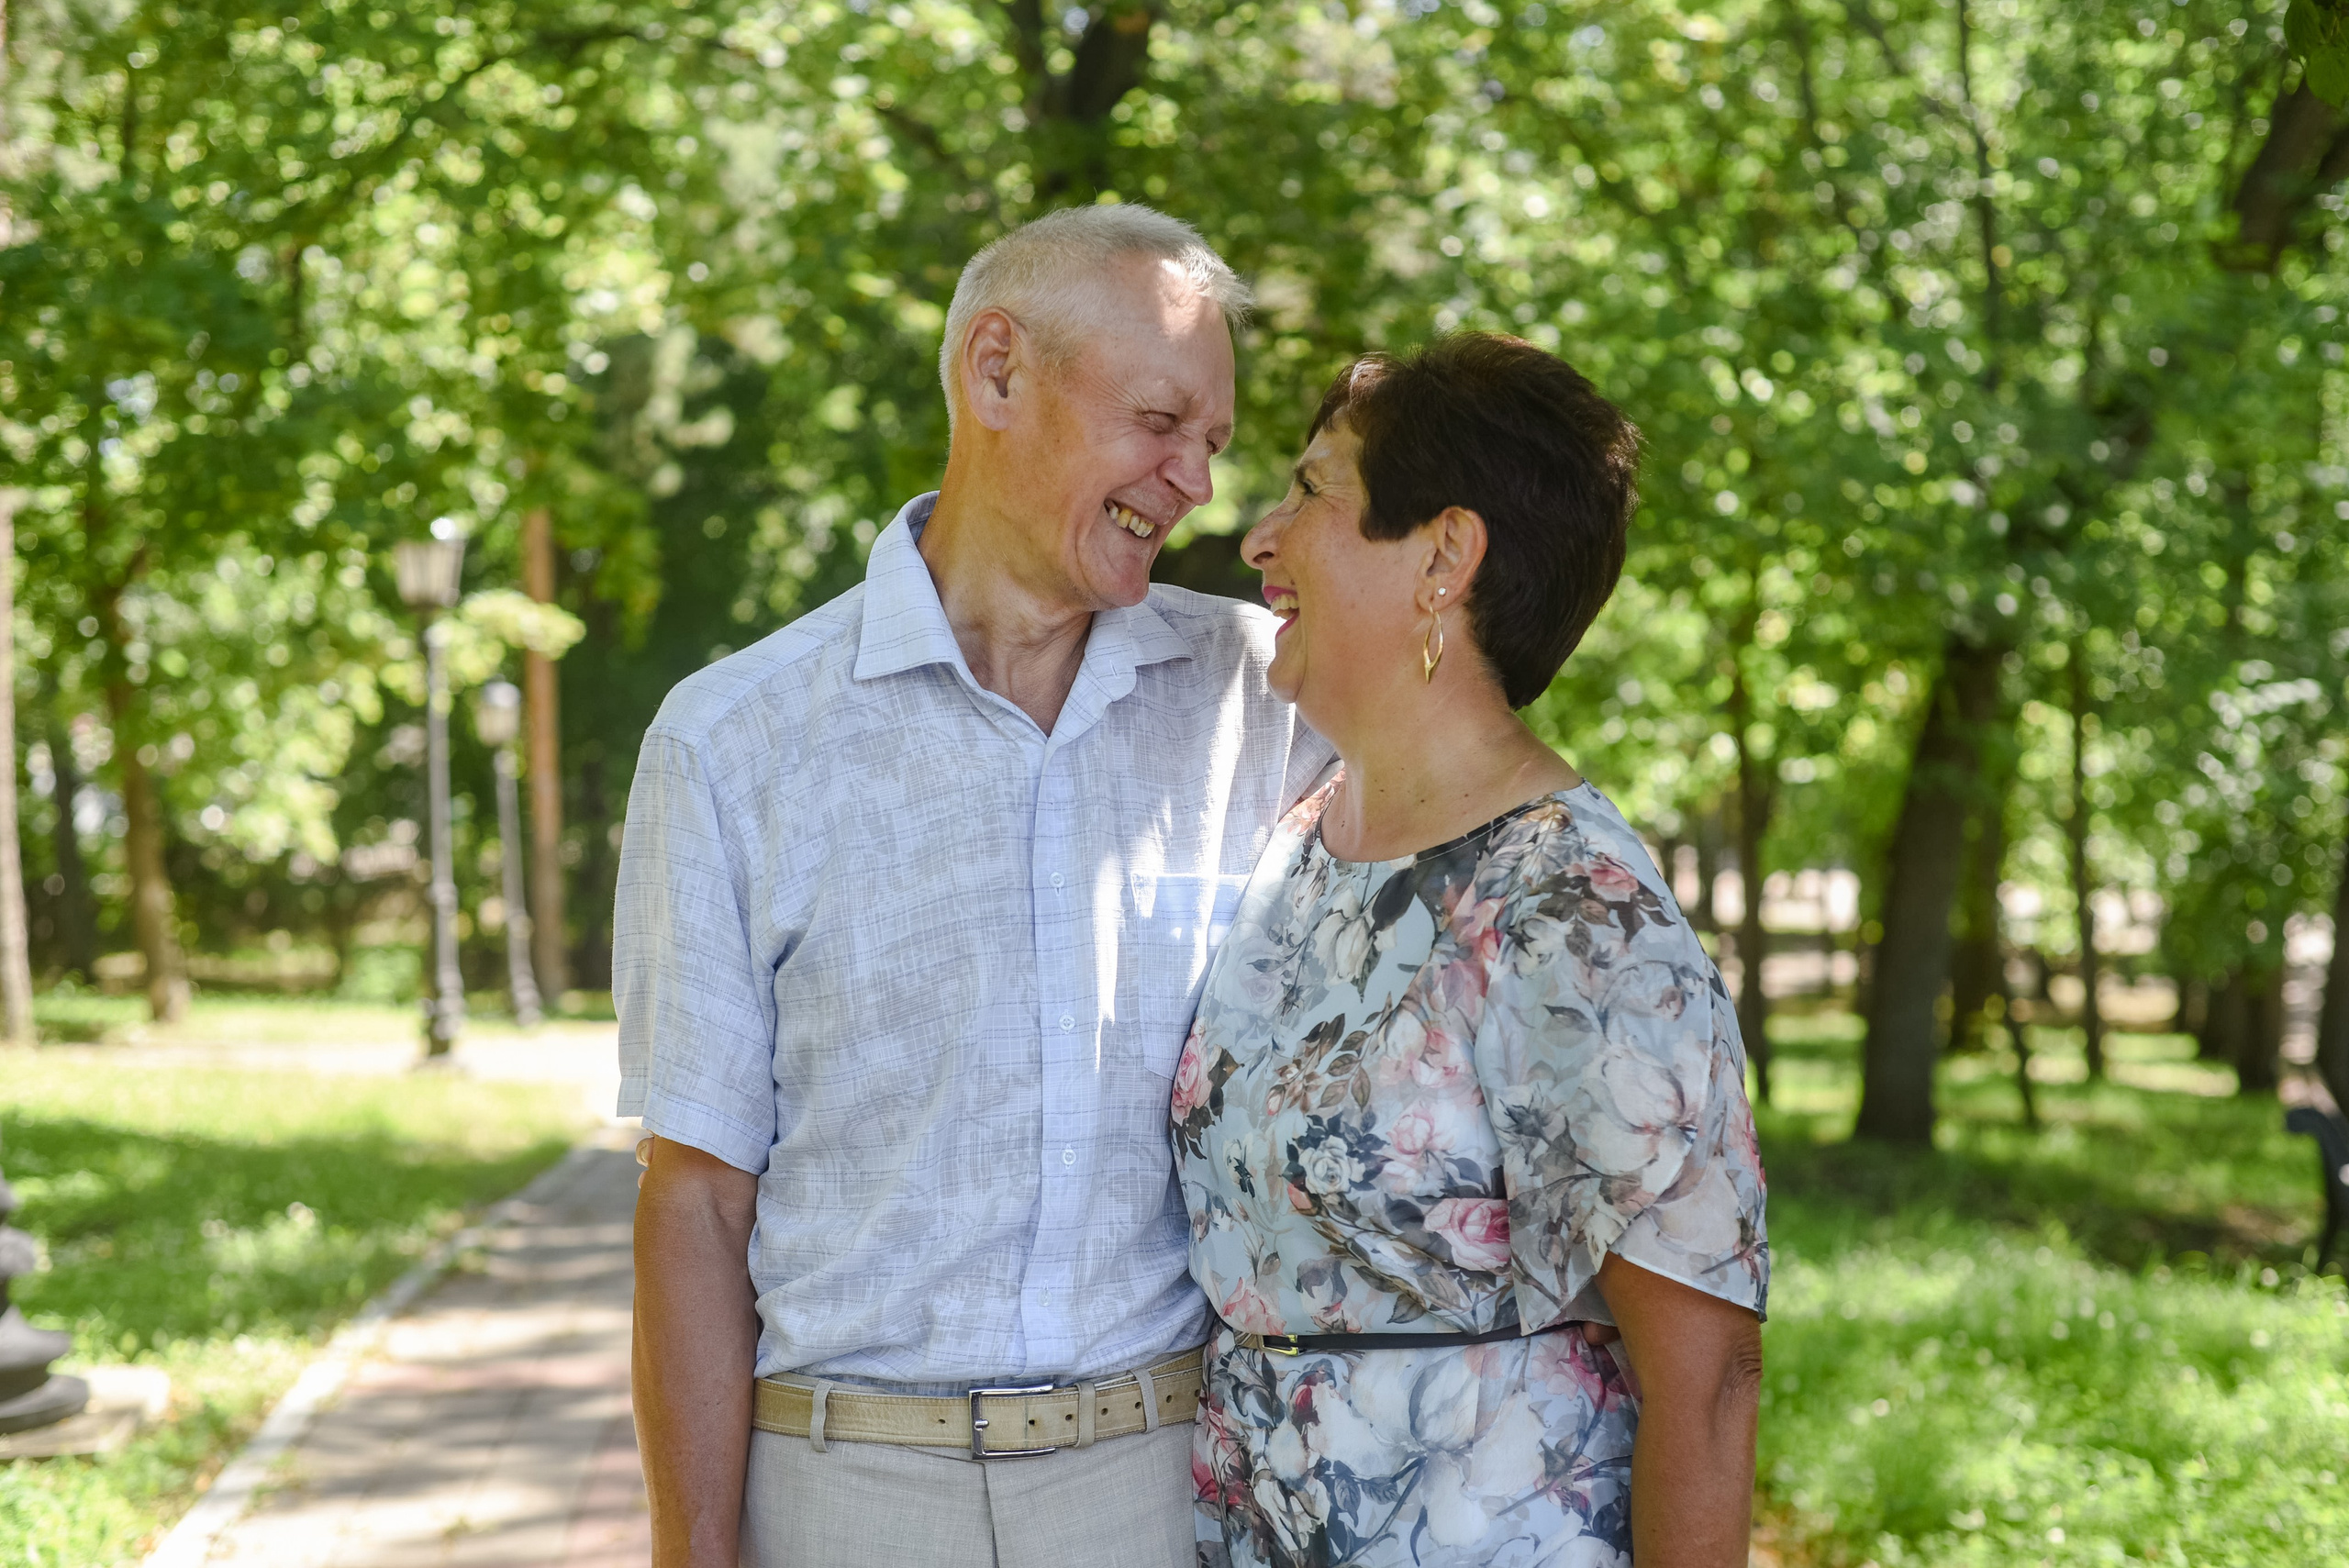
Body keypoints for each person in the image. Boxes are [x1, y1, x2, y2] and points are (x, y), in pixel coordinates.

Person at [616, 205, 1331, 1567]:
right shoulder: (732, 740)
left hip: (1160, 1483)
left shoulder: (1272, 698)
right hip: (842, 1488)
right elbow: (698, 1199)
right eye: (1162, 421)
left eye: (1217, 446)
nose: (1198, 482)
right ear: (996, 372)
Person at [1174, 334, 1769, 1568]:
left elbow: (1708, 1381)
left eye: (1313, 489)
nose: (1260, 536)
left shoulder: (1573, 908)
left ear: (1445, 555)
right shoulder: (1299, 840)